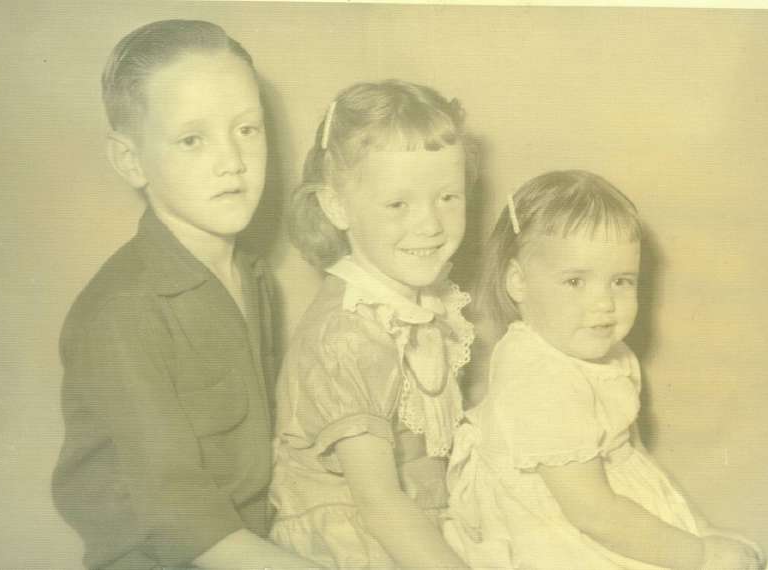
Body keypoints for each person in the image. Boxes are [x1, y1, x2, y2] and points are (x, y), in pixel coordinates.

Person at [52, 20, 314, 570]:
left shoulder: (254, 275)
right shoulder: (121, 313)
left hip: (250, 543)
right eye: (193, 139)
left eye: (247, 129)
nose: (232, 160)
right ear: (130, 160)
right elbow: (181, 518)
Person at [443, 170, 768, 570]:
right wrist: (698, 555)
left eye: (620, 281)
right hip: (561, 527)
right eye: (575, 282)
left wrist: (699, 532)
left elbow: (634, 457)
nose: (604, 303)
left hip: (610, 505)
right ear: (518, 282)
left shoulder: (609, 355)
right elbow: (593, 514)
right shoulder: (537, 378)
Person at [270, 79, 475, 569]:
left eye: (448, 197)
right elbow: (380, 504)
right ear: (336, 206)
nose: (430, 224)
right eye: (398, 204)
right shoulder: (346, 337)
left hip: (418, 522)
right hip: (353, 541)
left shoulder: (427, 306)